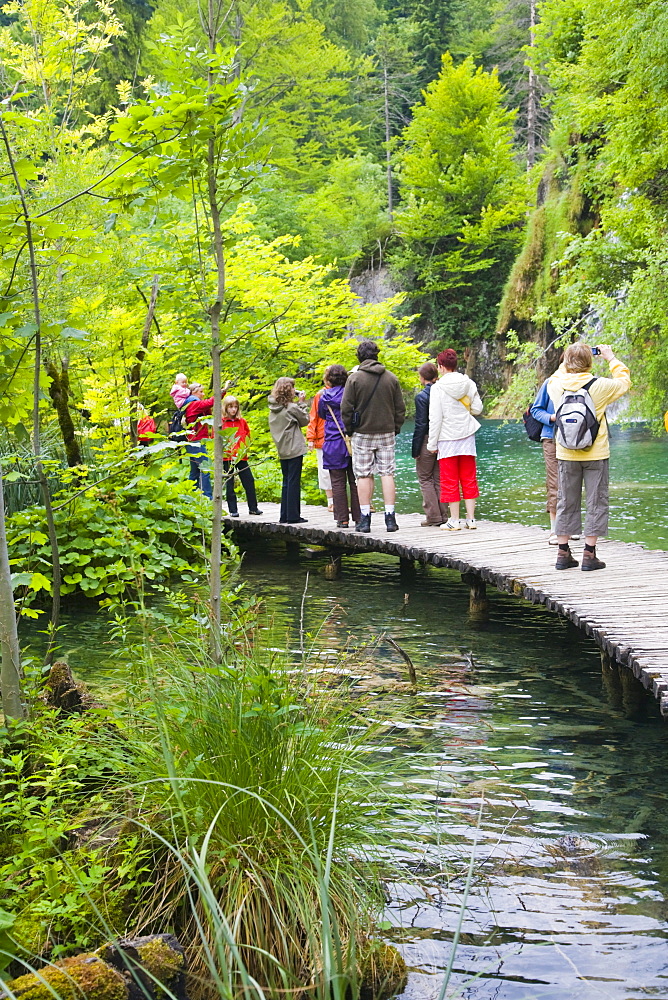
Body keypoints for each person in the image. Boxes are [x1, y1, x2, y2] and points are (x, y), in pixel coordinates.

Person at [547, 343, 631, 571]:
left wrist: (566, 361)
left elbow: (557, 373)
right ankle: (589, 555)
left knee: (566, 501)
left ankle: (563, 554)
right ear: (590, 362)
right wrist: (611, 357)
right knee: (596, 501)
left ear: (565, 362)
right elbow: (624, 381)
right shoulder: (600, 385)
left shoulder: (555, 385)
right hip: (596, 452)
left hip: (565, 453)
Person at [341, 340, 406, 533]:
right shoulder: (391, 378)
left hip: (362, 433)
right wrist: (395, 427)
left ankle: (365, 519)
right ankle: (390, 518)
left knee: (363, 474)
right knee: (387, 473)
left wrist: (350, 430)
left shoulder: (354, 379)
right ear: (377, 355)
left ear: (359, 357)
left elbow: (346, 408)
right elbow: (400, 409)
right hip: (386, 432)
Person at [427, 349, 483, 531]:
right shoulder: (469, 383)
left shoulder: (437, 388)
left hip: (447, 438)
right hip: (467, 435)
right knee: (468, 476)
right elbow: (477, 408)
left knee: (449, 479)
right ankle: (471, 519)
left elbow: (435, 419)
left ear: (441, 367)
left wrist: (432, 444)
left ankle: (454, 520)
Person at [318, 364, 361, 528]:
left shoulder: (324, 397)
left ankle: (342, 519)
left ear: (328, 379)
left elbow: (322, 415)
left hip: (333, 441)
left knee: (337, 482)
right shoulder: (352, 394)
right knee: (356, 481)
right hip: (351, 440)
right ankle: (359, 517)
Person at [268, 377, 309, 524]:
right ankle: (293, 516)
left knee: (286, 482)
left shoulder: (272, 408)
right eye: (292, 388)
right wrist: (302, 403)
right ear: (288, 390)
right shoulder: (291, 408)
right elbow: (305, 420)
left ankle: (284, 515)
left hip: (282, 449)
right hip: (294, 448)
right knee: (294, 482)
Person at [412, 362, 447, 527]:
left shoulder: (421, 397)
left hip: (427, 439)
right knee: (438, 478)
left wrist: (415, 449)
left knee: (425, 478)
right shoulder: (443, 392)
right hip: (444, 439)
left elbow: (420, 425)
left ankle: (433, 517)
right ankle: (444, 514)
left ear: (421, 377)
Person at [221, 395, 262, 517]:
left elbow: (248, 435)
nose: (233, 410)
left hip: (241, 456)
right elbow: (215, 438)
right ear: (225, 408)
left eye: (235, 407)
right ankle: (233, 510)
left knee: (249, 480)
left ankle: (253, 508)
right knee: (230, 483)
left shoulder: (242, 421)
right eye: (230, 407)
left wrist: (245, 448)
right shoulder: (221, 422)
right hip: (227, 456)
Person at [530, 378, 559, 544]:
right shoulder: (550, 383)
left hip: (576, 439)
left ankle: (572, 526)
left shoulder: (581, 382)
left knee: (572, 482)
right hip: (551, 438)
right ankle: (554, 529)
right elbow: (536, 410)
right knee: (554, 482)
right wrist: (552, 417)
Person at [307, 368, 334, 513]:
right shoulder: (320, 394)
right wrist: (311, 437)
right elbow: (314, 416)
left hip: (337, 437)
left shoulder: (345, 391)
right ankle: (331, 501)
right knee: (324, 471)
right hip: (322, 437)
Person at [183, 383, 215, 498]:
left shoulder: (190, 404)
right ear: (193, 393)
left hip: (192, 441)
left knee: (195, 472)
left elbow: (208, 411)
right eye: (201, 392)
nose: (203, 394)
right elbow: (210, 402)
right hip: (196, 442)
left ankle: (189, 496)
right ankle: (208, 498)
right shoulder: (193, 404)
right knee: (205, 469)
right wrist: (222, 391)